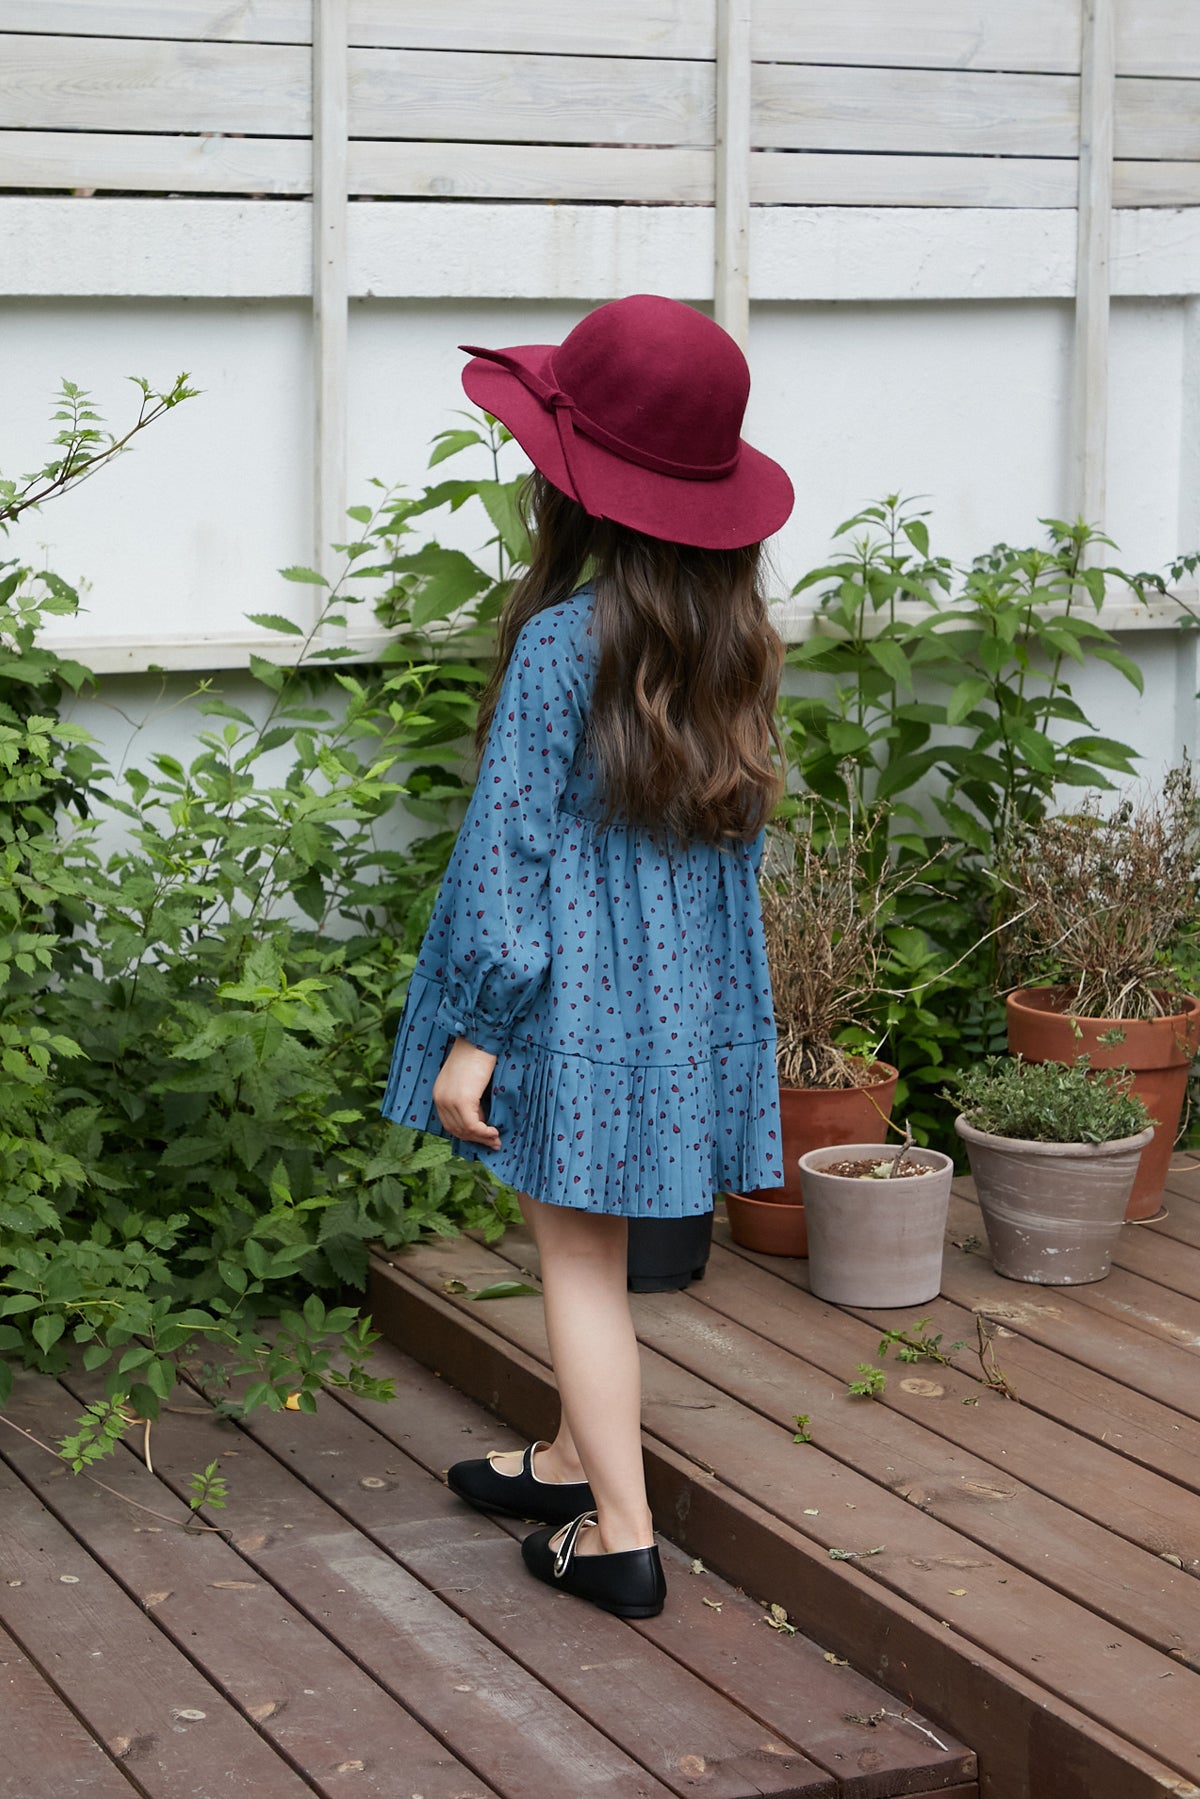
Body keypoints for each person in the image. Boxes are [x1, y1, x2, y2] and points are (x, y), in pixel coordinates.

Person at [381, 293, 794, 1618]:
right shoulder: (735, 645)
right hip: (677, 998)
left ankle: (619, 1532)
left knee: (577, 1261)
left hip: (569, 996)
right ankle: (569, 1459)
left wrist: (477, 1038)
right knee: (599, 1246)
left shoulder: (568, 644)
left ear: (579, 488)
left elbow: (510, 864)